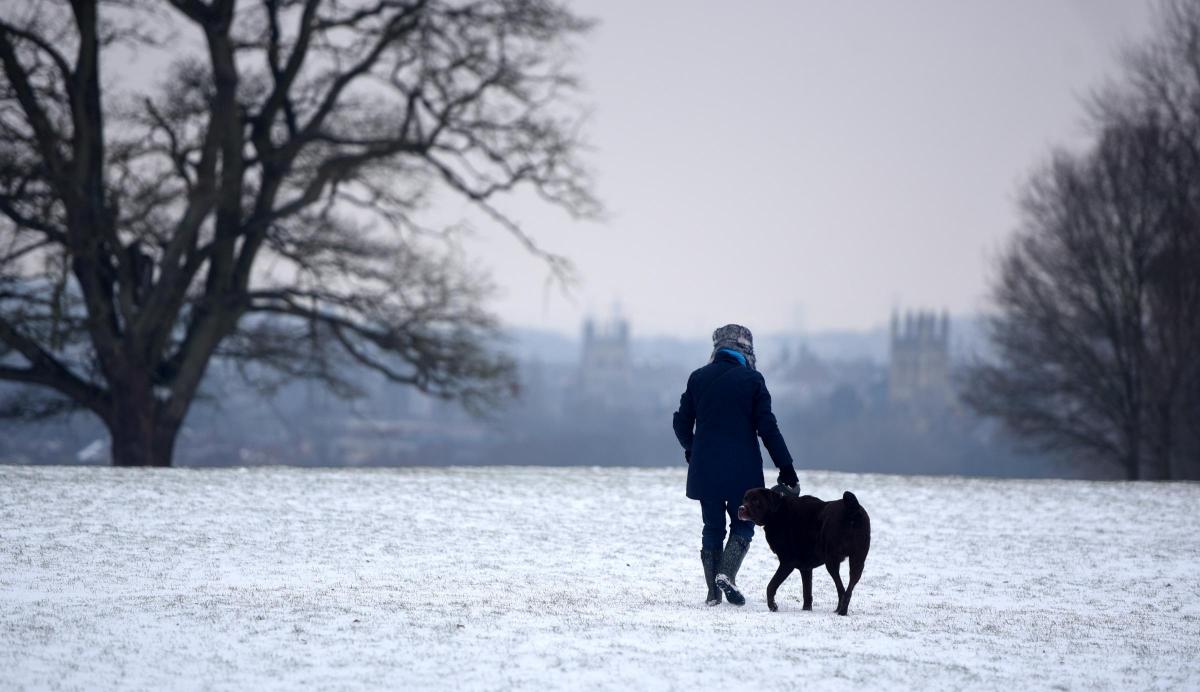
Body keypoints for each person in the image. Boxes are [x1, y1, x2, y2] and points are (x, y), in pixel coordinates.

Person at [672, 324, 798, 606]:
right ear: (746, 351)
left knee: (712, 527)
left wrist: (692, 448)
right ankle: (726, 574)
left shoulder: (698, 378)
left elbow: (680, 422)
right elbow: (768, 428)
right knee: (744, 524)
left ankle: (713, 593)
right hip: (743, 472)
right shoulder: (753, 381)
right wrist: (786, 467)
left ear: (718, 348)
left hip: (705, 469)